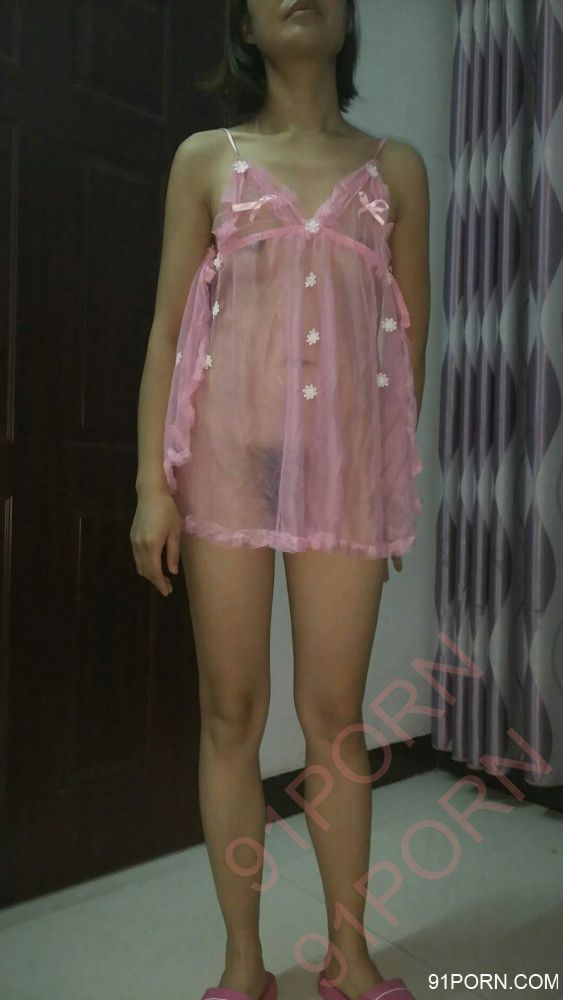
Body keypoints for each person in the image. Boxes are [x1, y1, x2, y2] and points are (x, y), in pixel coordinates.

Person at [130, 1, 430, 998]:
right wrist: (151, 484)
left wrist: (389, 478)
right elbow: (166, 331)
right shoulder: (204, 160)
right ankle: (242, 962)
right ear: (245, 26)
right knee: (231, 710)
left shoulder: (394, 170)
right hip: (225, 462)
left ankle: (348, 956)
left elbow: (408, 343)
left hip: (345, 471)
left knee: (334, 715)